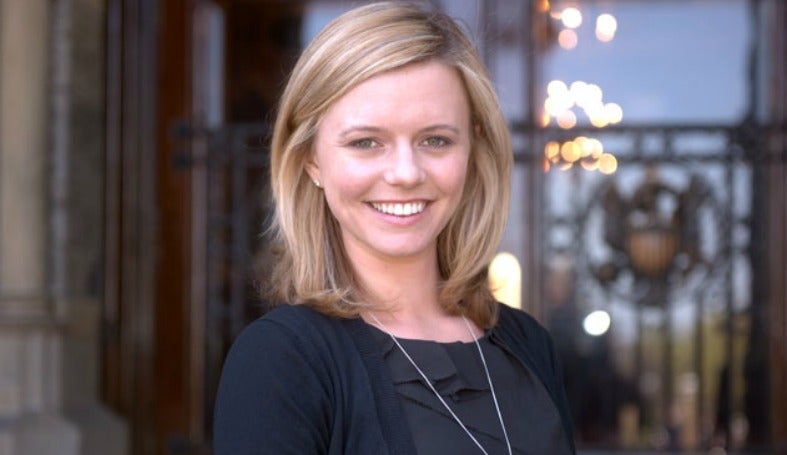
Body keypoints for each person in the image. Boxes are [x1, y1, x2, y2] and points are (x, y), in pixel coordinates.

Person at [213, 2, 575, 454]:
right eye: (366, 142)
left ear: (472, 149)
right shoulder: (281, 360)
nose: (405, 172)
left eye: (435, 140)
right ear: (311, 160)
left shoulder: (527, 344)